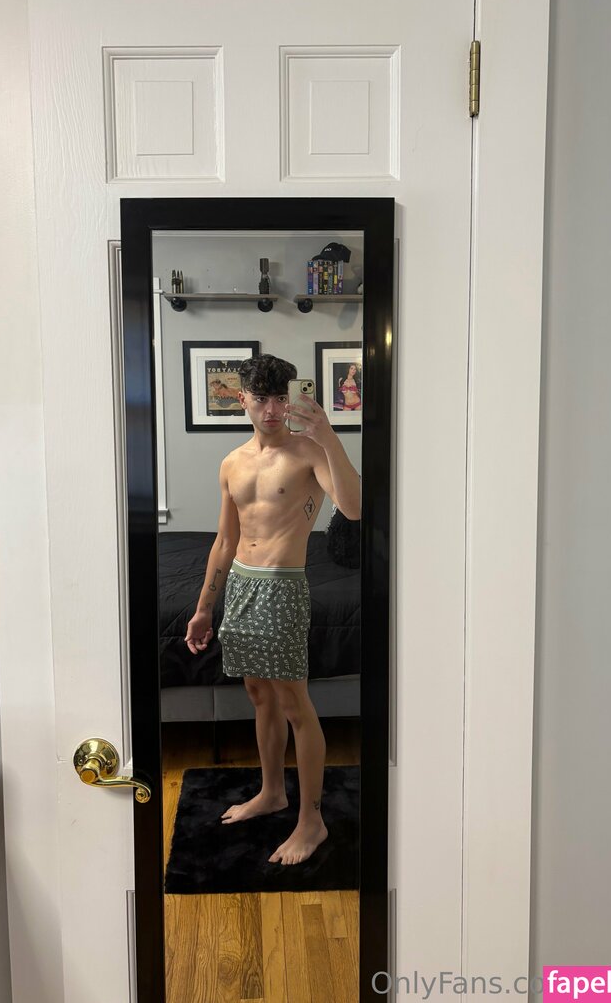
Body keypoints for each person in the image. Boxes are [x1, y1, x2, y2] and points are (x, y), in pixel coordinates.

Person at [184, 354, 361, 865]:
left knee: (293, 703)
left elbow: (354, 508)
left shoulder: (309, 453)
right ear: (242, 399)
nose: (272, 410)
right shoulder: (232, 463)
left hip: (282, 588)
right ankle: (272, 792)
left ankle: (312, 821)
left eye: (281, 398)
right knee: (259, 695)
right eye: (261, 399)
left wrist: (328, 436)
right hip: (241, 585)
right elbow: (224, 540)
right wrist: (203, 608)